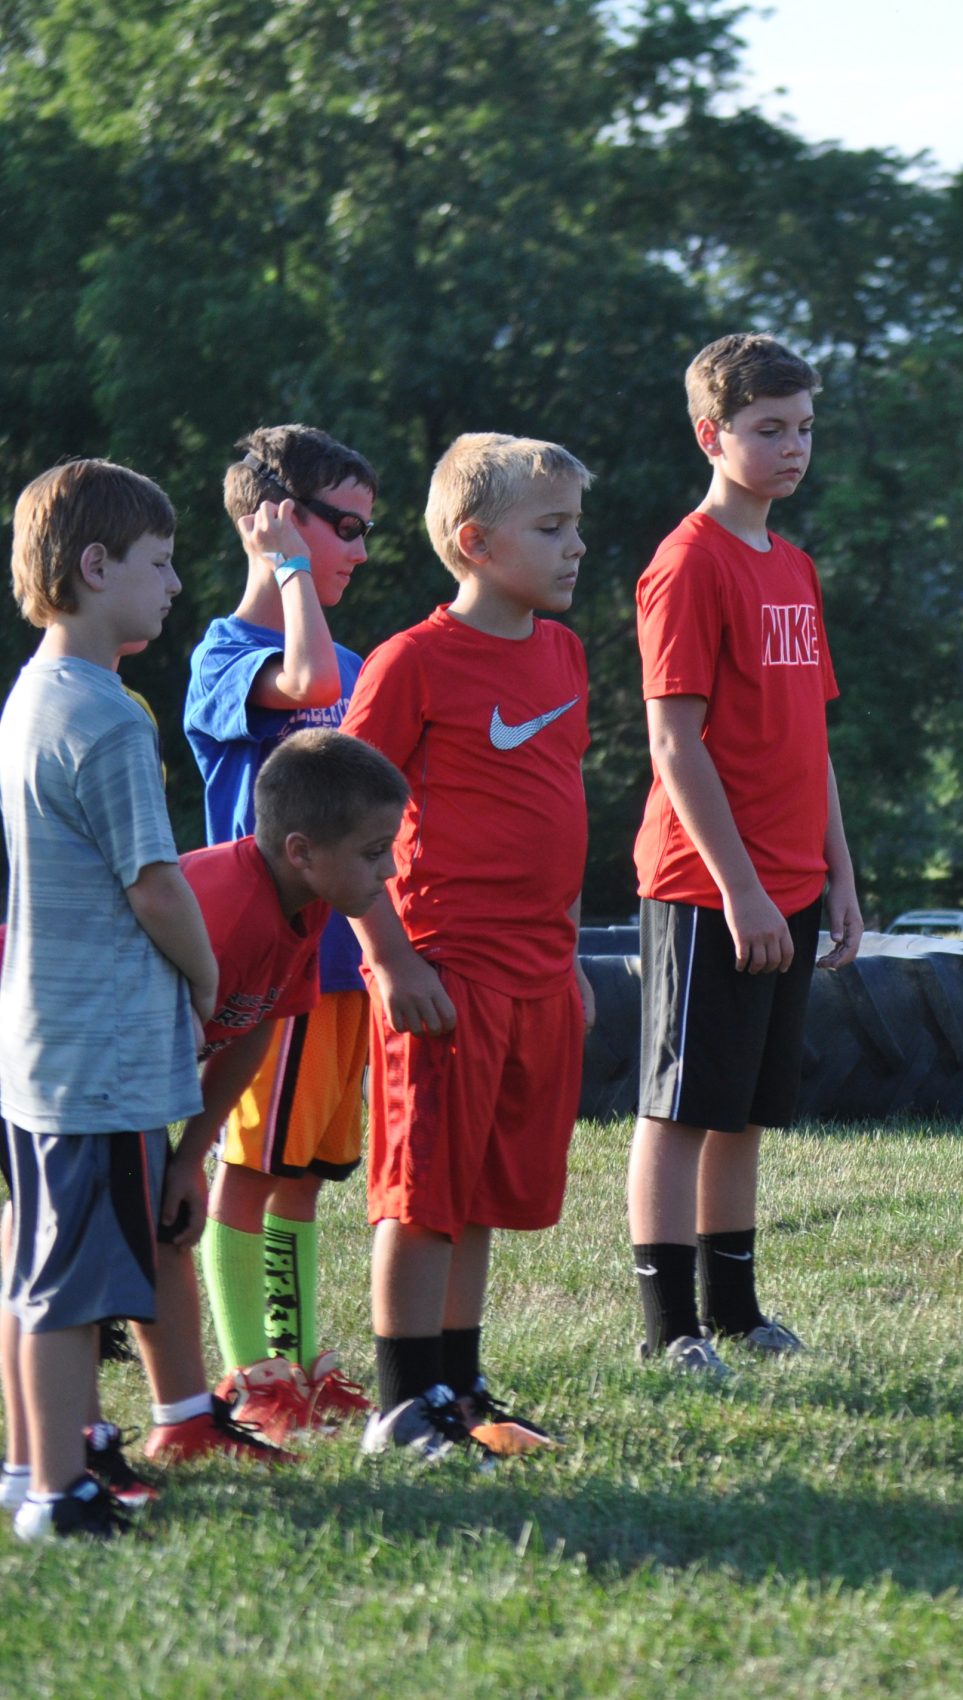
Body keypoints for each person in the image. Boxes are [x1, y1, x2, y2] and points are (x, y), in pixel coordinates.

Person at [341, 433, 595, 1462]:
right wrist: (390, 958)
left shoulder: (563, 650)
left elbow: (554, 813)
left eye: (577, 524)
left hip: (537, 971)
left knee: (483, 1186)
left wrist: (568, 953)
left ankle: (458, 1380)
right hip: (442, 972)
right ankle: (401, 1404)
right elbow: (335, 808)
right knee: (424, 1190)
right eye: (552, 527)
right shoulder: (413, 661)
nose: (576, 546)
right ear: (474, 541)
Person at [627, 334, 863, 1377]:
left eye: (804, 426)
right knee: (681, 1108)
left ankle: (734, 1308)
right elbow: (673, 739)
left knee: (745, 1110)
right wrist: (740, 890)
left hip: (792, 883)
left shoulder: (796, 565)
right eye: (769, 429)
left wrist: (838, 878)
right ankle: (667, 1324)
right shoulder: (685, 562)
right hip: (705, 884)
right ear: (710, 434)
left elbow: (812, 739)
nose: (792, 447)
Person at [1, 459, 215, 1539]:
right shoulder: (111, 716)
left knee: (32, 1256)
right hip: (94, 1055)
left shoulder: (32, 691)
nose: (174, 584)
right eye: (160, 562)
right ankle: (59, 1489)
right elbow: (156, 881)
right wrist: (207, 973)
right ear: (95, 566)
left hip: (39, 1042)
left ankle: (27, 1461)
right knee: (70, 1286)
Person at [128, 732, 408, 1468]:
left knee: (156, 1227)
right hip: (58, 1055)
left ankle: (193, 1420)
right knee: (90, 1247)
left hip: (126, 1078)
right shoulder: (221, 908)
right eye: (374, 851)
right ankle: (231, 1391)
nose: (391, 868)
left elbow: (255, 1029)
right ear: (301, 850)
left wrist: (190, 1159)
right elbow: (134, 1029)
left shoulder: (308, 903)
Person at [182, 424, 381, 1437]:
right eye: (342, 526)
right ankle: (247, 1373)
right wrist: (292, 571)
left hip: (338, 966)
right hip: (262, 967)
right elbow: (301, 681)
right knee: (250, 1170)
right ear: (278, 522)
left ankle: (300, 1364)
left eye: (362, 532)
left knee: (304, 1176)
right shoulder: (228, 654)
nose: (357, 549)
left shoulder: (346, 654)